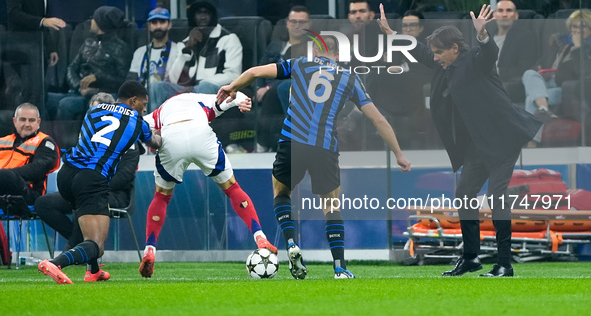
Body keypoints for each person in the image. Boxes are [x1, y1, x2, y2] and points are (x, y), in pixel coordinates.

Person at [217, 35, 412, 280]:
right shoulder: (350, 78)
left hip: (292, 141)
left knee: (282, 193)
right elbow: (378, 119)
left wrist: (232, 86)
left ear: (315, 51)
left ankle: (290, 244)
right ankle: (340, 268)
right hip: (324, 147)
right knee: (331, 205)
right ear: (338, 55)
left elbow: (255, 71)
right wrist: (399, 154)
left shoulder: (300, 65)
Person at [378, 3, 542, 277]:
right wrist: (392, 33)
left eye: (440, 51)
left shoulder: (476, 60)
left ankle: (504, 263)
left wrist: (482, 35)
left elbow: (490, 53)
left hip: (502, 139)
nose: (436, 57)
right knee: (464, 194)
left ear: (455, 48)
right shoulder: (444, 63)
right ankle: (470, 258)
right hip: (477, 145)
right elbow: (420, 51)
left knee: (495, 196)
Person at [138, 91, 277, 278]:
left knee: (161, 196)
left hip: (171, 138)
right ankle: (261, 238)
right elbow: (233, 95)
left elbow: (135, 124)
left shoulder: (159, 112)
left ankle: (149, 249)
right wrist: (244, 101)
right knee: (232, 188)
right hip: (200, 135)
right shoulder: (205, 99)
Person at [38, 81, 162, 284]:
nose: (145, 109)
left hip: (66, 173)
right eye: (144, 103)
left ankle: (93, 271)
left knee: (88, 225)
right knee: (96, 243)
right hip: (91, 178)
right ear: (133, 100)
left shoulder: (94, 110)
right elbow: (155, 144)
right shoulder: (138, 122)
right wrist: (162, 134)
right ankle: (55, 262)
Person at [149, 0, 243, 108]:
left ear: (213, 16)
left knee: (204, 87)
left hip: (215, 91)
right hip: (186, 92)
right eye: (199, 13)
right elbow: (172, 79)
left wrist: (197, 87)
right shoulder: (185, 43)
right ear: (193, 17)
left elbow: (234, 75)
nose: (203, 17)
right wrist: (188, 48)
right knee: (156, 87)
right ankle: (152, 124)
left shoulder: (228, 39)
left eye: (206, 13)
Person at [5, 0, 66, 110]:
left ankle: (37, 131)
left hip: (39, 51)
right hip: (21, 50)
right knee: (28, 93)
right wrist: (42, 22)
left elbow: (46, 19)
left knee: (39, 93)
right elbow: (13, 14)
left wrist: (51, 48)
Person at [46, 6, 130, 121]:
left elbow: (121, 80)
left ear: (101, 23)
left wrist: (97, 78)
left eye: (94, 18)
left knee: (66, 104)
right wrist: (79, 87)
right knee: (45, 98)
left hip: (99, 95)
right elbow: (71, 68)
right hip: (78, 92)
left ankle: (70, 138)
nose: (91, 21)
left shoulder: (120, 48)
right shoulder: (88, 42)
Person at [255, 5, 310, 151]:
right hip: (269, 88)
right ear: (287, 24)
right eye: (294, 22)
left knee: (275, 91)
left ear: (308, 25)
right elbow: (261, 67)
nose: (297, 26)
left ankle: (264, 143)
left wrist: (267, 88)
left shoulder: (311, 48)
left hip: (290, 87)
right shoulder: (276, 45)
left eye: (302, 22)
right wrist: (259, 87)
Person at [522, 9, 591, 120]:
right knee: (529, 73)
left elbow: (585, 72)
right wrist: (540, 69)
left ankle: (537, 126)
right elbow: (541, 62)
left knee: (531, 99)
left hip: (566, 87)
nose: (578, 30)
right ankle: (544, 109)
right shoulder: (562, 44)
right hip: (547, 82)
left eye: (582, 27)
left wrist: (578, 47)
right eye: (574, 27)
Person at [0, 103, 60, 205]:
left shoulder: (45, 142)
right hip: (3, 187)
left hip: (29, 193)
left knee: (5, 175)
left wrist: (6, 175)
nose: (27, 124)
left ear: (38, 122)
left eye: (31, 120)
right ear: (15, 121)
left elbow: (37, 169)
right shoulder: (2, 141)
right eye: (22, 120)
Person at [128, 7, 182, 111]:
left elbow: (178, 84)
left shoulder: (178, 50)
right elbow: (131, 80)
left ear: (169, 25)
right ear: (149, 26)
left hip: (167, 100)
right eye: (154, 23)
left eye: (162, 22)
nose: (158, 26)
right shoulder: (140, 52)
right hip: (141, 100)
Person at [489, 0, 538, 103]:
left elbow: (525, 68)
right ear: (495, 15)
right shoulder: (487, 37)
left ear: (516, 16)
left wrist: (498, 71)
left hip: (506, 82)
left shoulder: (525, 36)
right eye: (500, 11)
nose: (504, 14)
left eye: (509, 10)